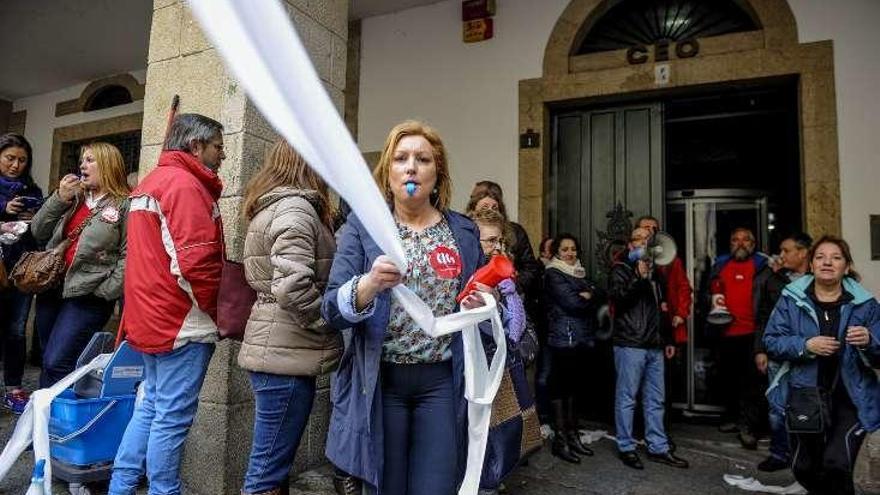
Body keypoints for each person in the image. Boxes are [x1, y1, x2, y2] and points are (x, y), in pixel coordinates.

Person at [322, 120, 486, 495]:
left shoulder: (462, 231)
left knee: (438, 486)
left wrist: (481, 304)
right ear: (389, 172)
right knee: (386, 486)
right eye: (401, 158)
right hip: (381, 384)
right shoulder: (363, 228)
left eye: (422, 159)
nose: (411, 167)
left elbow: (484, 300)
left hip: (443, 382)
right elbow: (331, 309)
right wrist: (368, 285)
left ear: (437, 171)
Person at [110, 113, 226, 495]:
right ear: (195, 146)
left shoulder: (151, 182)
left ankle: (121, 486)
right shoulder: (185, 185)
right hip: (181, 323)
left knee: (150, 407)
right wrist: (215, 313)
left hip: (150, 319)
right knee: (171, 419)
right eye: (217, 147)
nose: (222, 155)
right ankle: (164, 491)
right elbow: (197, 265)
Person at [237, 141, 343, 495]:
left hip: (278, 349)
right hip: (287, 352)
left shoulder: (275, 207)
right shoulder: (296, 210)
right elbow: (292, 286)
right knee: (265, 473)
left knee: (272, 466)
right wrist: (326, 320)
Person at [764, 236, 879, 495]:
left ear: (846, 267)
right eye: (820, 257)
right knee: (805, 468)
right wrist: (805, 346)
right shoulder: (791, 299)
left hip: (850, 396)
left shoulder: (865, 304)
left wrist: (870, 340)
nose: (827, 262)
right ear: (811, 265)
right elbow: (771, 341)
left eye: (836, 257)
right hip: (805, 394)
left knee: (837, 463)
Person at [30, 142, 129, 388]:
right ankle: (45, 418)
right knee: (49, 359)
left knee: (57, 360)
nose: (82, 165)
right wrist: (58, 198)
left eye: (90, 160)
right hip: (51, 286)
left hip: (88, 294)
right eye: (82, 160)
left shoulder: (124, 204)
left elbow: (130, 253)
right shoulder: (71, 197)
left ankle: (60, 418)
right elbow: (38, 231)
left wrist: (106, 291)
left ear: (107, 164)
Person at [610, 227, 688, 470]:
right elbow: (619, 300)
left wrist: (668, 340)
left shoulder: (658, 275)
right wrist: (638, 278)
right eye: (639, 240)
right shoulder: (620, 270)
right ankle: (626, 446)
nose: (645, 243)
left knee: (656, 400)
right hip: (630, 344)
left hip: (654, 345)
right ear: (630, 245)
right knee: (627, 399)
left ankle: (658, 447)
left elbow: (662, 310)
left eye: (648, 240)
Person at [469, 207, 531, 494]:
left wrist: (506, 293)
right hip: (475, 368)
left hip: (502, 365)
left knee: (505, 428)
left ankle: (489, 482)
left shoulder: (504, 275)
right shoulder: (467, 273)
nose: (497, 247)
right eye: (490, 240)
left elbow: (516, 330)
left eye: (500, 241)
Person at [753, 232, 812, 472]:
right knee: (776, 409)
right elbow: (763, 316)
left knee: (807, 409)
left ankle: (806, 457)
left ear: (803, 253)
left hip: (808, 355)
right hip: (777, 353)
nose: (781, 255)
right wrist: (760, 349)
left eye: (787, 250)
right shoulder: (774, 278)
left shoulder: (819, 278)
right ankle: (779, 454)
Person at [542, 233, 602, 464]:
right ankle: (561, 440)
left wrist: (590, 294)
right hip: (562, 337)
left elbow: (599, 292)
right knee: (560, 387)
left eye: (573, 249)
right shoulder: (553, 273)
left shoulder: (580, 272)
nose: (570, 253)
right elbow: (573, 303)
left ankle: (573, 435)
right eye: (565, 249)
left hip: (580, 337)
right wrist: (586, 295)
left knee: (573, 388)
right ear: (557, 252)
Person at [708, 227, 767, 449]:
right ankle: (732, 418)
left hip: (752, 334)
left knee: (751, 384)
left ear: (753, 243)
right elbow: (710, 292)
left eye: (745, 239)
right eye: (735, 239)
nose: (740, 243)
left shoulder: (762, 266)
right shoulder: (720, 265)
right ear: (730, 243)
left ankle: (748, 426)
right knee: (728, 379)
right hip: (724, 332)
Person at [0, 133, 43, 413]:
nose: (16, 165)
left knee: (16, 330)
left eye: (22, 160)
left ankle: (13, 388)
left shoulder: (32, 189)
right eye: (10, 158)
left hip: (20, 271)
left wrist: (33, 219)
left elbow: (41, 231)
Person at [465, 181, 543, 304]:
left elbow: (530, 269)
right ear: (473, 209)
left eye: (494, 207)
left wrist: (513, 285)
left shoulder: (515, 232)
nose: (490, 211)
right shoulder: (465, 240)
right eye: (485, 207)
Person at [635, 215, 691, 345]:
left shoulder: (670, 259)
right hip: (638, 327)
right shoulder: (628, 258)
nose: (651, 231)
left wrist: (681, 313)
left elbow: (684, 287)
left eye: (655, 228)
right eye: (646, 227)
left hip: (665, 324)